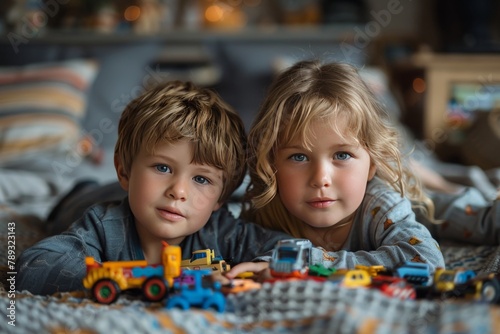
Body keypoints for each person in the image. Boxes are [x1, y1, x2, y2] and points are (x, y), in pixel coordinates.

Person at [15, 80, 293, 295]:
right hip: (81, 198)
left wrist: (267, 264)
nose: (178, 191)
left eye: (201, 179)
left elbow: (289, 247)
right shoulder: (102, 226)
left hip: (130, 191)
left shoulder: (220, 230)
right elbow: (34, 265)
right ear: (124, 170)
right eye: (163, 167)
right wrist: (123, 280)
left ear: (221, 197)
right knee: (82, 195)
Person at [226, 60, 446, 279]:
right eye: (299, 157)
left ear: (372, 164)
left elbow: (426, 259)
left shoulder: (382, 206)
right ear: (271, 163)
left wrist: (308, 261)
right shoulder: (267, 211)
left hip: (412, 200)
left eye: (342, 155)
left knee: (446, 211)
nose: (321, 179)